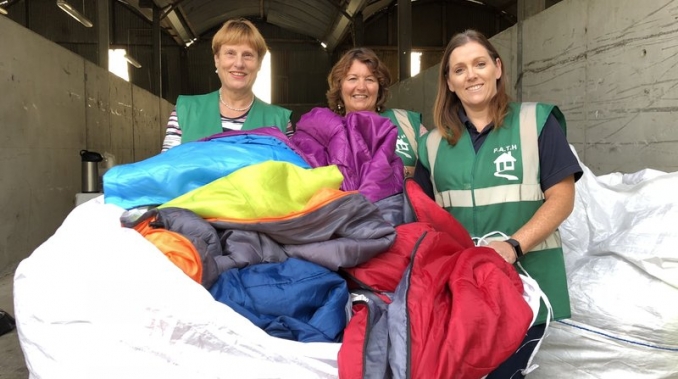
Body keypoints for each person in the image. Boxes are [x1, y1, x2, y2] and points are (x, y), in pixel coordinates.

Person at [413, 29, 583, 378]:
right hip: (460, 291)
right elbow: (421, 218)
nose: (471, 74)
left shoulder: (535, 122)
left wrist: (512, 246)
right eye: (459, 69)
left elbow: (562, 198)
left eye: (479, 64)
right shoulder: (431, 145)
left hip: (527, 284)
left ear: (498, 68)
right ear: (449, 81)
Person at [161, 18, 292, 152]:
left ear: (259, 64)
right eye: (230, 53)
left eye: (247, 55)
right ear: (217, 59)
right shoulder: (184, 111)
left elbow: (290, 171)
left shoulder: (280, 121)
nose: (239, 63)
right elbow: (166, 168)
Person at [326, 47, 427, 177]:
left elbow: (437, 170)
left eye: (369, 79)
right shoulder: (325, 129)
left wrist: (402, 172)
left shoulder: (406, 122)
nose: (361, 87)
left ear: (379, 87)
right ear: (339, 87)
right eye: (352, 79)